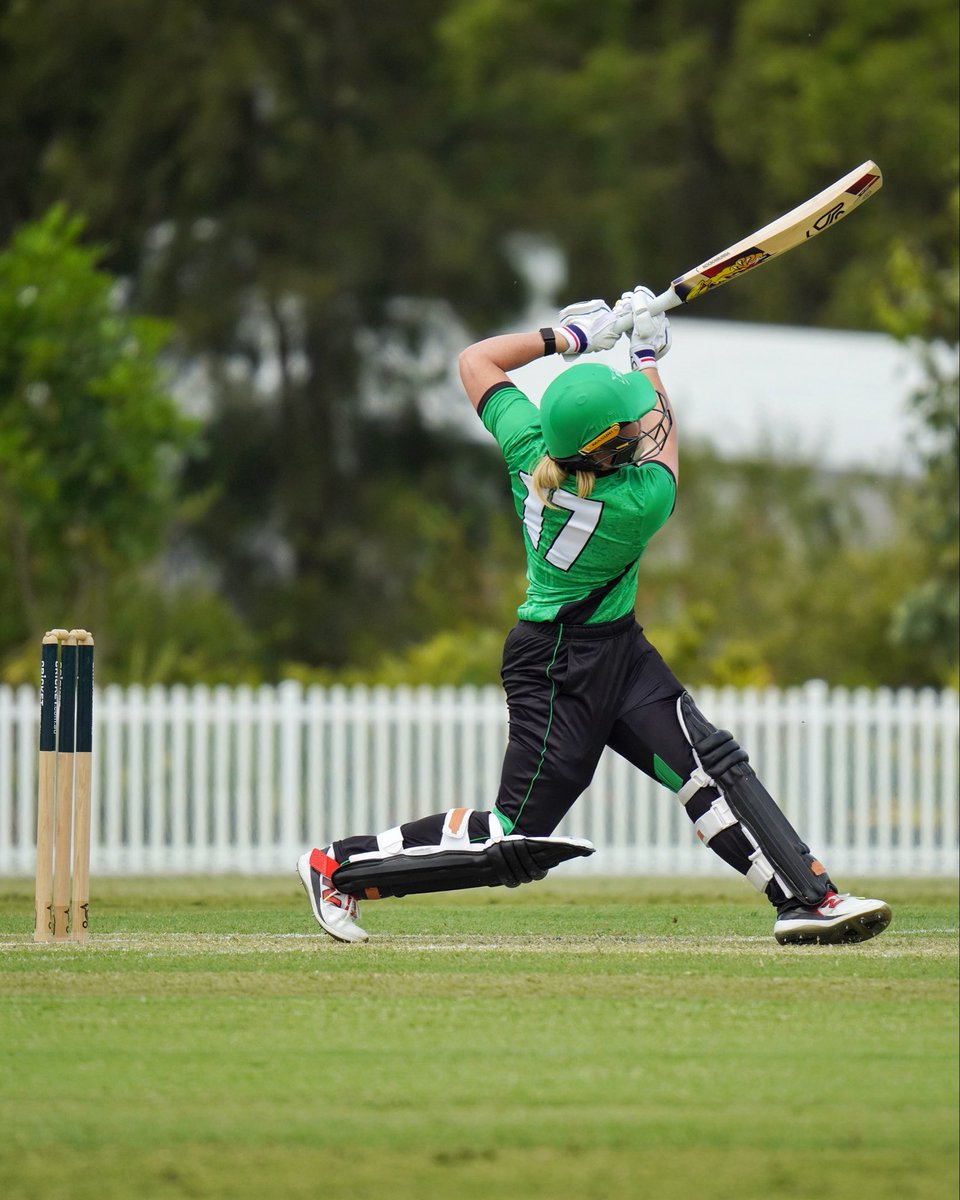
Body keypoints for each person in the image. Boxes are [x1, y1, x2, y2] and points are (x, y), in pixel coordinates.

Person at [297, 288, 892, 946]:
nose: (639, 429)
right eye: (625, 431)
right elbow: (666, 443)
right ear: (604, 453)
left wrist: (567, 339)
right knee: (513, 840)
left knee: (708, 764)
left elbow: (475, 362)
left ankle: (806, 898)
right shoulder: (633, 505)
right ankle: (337, 867)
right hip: (557, 666)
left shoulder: (530, 446)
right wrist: (645, 354)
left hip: (616, 649)